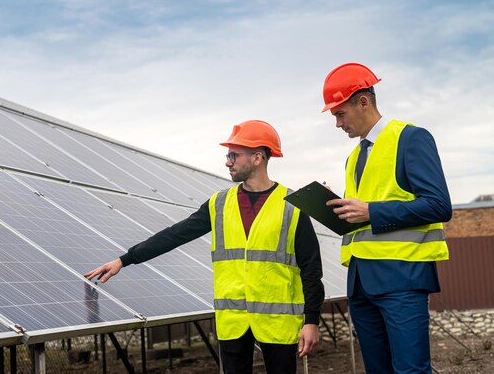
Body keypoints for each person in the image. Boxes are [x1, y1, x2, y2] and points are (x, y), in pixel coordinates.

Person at [86, 120, 324, 374]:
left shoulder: (292, 206)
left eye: (234, 155)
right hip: (233, 323)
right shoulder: (219, 204)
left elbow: (311, 269)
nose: (227, 161)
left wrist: (311, 321)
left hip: (278, 324)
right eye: (227, 155)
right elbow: (174, 235)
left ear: (257, 157)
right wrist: (125, 259)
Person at [321, 63, 452, 374]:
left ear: (363, 102)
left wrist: (371, 211)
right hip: (361, 282)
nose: (338, 123)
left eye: (340, 114)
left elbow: (438, 205)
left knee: (410, 370)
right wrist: (340, 209)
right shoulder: (354, 157)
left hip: (401, 277)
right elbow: (364, 212)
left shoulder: (411, 138)